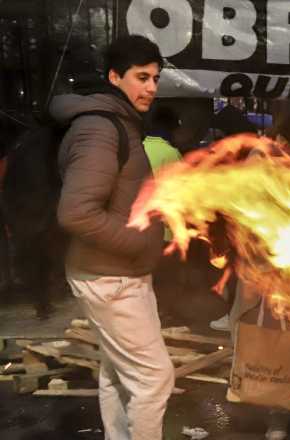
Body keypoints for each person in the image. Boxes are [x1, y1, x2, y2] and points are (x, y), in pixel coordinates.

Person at [53, 35, 172, 440]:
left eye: (156, 78)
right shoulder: (101, 128)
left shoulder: (116, 122)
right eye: (142, 77)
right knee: (154, 378)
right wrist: (138, 242)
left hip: (116, 272)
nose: (152, 88)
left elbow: (117, 197)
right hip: (111, 277)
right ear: (114, 77)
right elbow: (76, 212)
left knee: (118, 373)